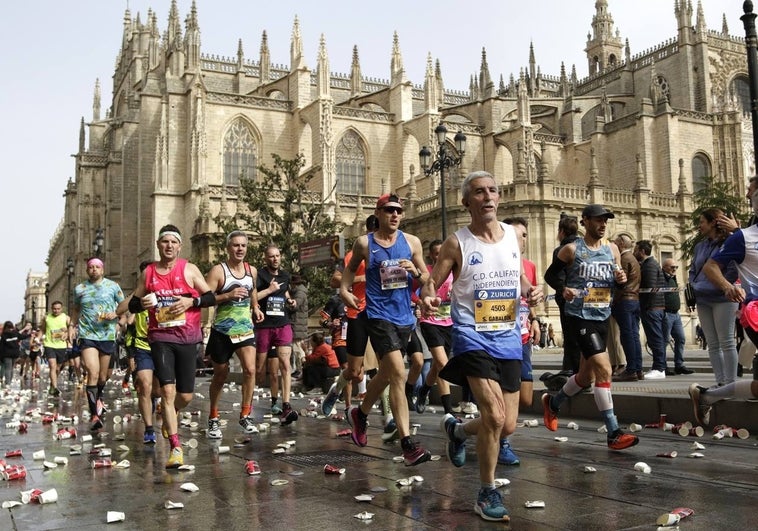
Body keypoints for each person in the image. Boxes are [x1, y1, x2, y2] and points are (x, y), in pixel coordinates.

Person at [422, 172, 542, 522]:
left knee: (506, 426)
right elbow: (433, 283)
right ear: (467, 202)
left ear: (499, 198)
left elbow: (519, 277)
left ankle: (457, 431)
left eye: (492, 190)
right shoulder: (457, 242)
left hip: (508, 339)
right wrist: (428, 298)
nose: (487, 196)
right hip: (471, 336)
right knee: (492, 415)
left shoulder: (511, 239)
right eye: (479, 192)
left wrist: (533, 292)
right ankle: (486, 492)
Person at [341, 193, 431, 467]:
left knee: (386, 373)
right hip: (377, 316)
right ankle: (407, 444)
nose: (395, 215)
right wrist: (345, 292)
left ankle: (361, 413)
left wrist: (415, 273)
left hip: (405, 317)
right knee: (398, 374)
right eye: (389, 210)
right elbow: (348, 272)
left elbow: (427, 276)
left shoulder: (411, 242)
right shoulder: (364, 243)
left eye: (398, 211)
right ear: (378, 213)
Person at [543, 204, 638, 450]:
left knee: (586, 377)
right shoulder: (572, 250)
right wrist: (563, 289)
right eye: (598, 220)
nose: (603, 224)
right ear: (585, 221)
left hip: (602, 314)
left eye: (606, 220)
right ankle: (613, 432)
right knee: (605, 370)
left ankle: (553, 404)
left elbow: (617, 280)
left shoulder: (612, 249)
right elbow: (551, 275)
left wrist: (621, 280)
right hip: (580, 317)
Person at [122, 224, 216, 469]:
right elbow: (132, 305)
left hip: (188, 338)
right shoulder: (149, 273)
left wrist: (189, 301)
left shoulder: (190, 269)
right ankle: (176, 447)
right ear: (158, 245)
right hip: (160, 339)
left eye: (173, 242)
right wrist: (141, 303)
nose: (169, 246)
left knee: (185, 396)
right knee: (168, 392)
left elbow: (210, 298)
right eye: (165, 242)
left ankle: (168, 414)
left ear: (180, 246)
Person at [689, 220, 758, 425]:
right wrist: (728, 287)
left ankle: (708, 396)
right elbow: (711, 267)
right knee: (719, 341)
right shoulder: (744, 237)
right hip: (754, 312)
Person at [205, 230, 265, 439]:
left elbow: (253, 290)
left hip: (244, 329)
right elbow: (206, 299)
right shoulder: (218, 271)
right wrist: (228, 295)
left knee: (250, 370)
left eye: (243, 246)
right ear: (228, 248)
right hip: (222, 330)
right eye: (235, 245)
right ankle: (213, 417)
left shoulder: (252, 270)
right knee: (220, 374)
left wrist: (256, 307)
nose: (240, 249)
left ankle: (245, 414)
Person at [321, 215, 379, 417]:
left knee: (389, 370)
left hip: (384, 315)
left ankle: (391, 420)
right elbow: (336, 280)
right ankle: (337, 389)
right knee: (354, 371)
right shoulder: (357, 252)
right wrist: (363, 278)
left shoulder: (397, 250)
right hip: (359, 314)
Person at [499, 216, 538, 466]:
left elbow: (529, 299)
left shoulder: (530, 266)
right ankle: (502, 442)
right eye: (513, 234)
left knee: (526, 399)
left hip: (523, 337)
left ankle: (465, 430)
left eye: (522, 235)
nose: (519, 239)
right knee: (502, 400)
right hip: (499, 338)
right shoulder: (496, 262)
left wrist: (535, 319)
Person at [69, 258, 125, 430]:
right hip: (87, 335)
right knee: (92, 372)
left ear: (102, 269)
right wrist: (72, 326)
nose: (94, 270)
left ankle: (98, 397)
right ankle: (94, 415)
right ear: (87, 270)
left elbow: (123, 305)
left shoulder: (113, 286)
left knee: (103, 376)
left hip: (107, 335)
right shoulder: (80, 289)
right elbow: (76, 309)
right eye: (91, 267)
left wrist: (117, 317)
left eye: (97, 267)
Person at [689, 208, 739, 386]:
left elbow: (732, 272)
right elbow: (693, 270)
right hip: (703, 299)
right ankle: (720, 382)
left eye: (702, 221)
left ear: (712, 223)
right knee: (712, 343)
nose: (699, 225)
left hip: (723, 298)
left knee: (726, 341)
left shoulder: (729, 243)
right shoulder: (700, 246)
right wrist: (694, 286)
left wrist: (710, 286)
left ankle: (730, 382)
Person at [255, 244, 298, 425]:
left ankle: (286, 404)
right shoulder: (259, 275)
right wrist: (269, 291)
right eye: (271, 256)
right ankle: (257, 404)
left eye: (278, 256)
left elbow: (284, 290)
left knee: (285, 364)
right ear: (265, 258)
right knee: (260, 370)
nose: (275, 259)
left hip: (282, 323)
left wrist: (290, 300)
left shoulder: (285, 275)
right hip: (264, 325)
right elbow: (253, 297)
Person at [122, 260, 161, 444]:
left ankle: (155, 401)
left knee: (159, 391)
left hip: (162, 345)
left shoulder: (164, 291)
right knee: (144, 386)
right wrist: (133, 305)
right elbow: (122, 312)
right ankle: (149, 428)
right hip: (142, 345)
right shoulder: (137, 295)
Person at [415, 239, 454, 416]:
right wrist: (421, 303)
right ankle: (449, 411)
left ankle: (424, 390)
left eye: (442, 253)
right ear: (431, 255)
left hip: (449, 322)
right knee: (442, 363)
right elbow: (413, 291)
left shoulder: (455, 271)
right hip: (429, 321)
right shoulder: (427, 274)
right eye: (436, 253)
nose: (440, 256)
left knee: (437, 367)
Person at [633, 240, 668, 379]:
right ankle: (660, 366)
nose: (634, 252)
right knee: (656, 338)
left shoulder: (649, 265)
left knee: (655, 338)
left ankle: (659, 368)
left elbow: (650, 287)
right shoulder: (650, 264)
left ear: (642, 251)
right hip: (653, 306)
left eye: (636, 250)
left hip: (652, 307)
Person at [611, 235, 643, 381]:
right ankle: (638, 369)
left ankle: (631, 369)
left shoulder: (623, 259)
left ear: (622, 244)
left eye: (616, 242)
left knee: (627, 336)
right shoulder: (634, 259)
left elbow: (620, 281)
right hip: (635, 300)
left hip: (625, 300)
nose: (614, 245)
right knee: (634, 335)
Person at [553, 214, 581, 374]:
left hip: (567, 298)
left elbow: (556, 276)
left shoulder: (561, 250)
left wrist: (561, 291)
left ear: (561, 231)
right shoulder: (584, 248)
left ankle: (570, 368)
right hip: (584, 298)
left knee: (570, 336)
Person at [662, 258, 693, 375]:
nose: (674, 269)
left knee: (681, 338)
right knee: (664, 341)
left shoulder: (673, 278)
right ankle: (663, 366)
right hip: (667, 313)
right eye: (672, 267)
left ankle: (679, 365)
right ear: (664, 267)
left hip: (676, 314)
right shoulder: (662, 278)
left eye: (676, 267)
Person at [39, 300, 71, 396]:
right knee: (52, 366)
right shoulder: (46, 318)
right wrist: (37, 338)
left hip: (61, 346)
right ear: (51, 309)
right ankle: (55, 388)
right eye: (54, 309)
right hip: (49, 345)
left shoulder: (66, 318)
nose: (56, 311)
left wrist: (66, 333)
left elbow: (72, 328)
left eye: (58, 309)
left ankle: (52, 385)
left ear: (61, 309)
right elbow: (42, 329)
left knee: (57, 368)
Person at [288, 273, 309, 379]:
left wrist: (287, 304)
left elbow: (295, 306)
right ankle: (300, 369)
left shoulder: (299, 293)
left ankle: (302, 369)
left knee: (297, 349)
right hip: (298, 323)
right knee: (298, 347)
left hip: (297, 324)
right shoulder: (299, 291)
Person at [0, 321, 32, 386]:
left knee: (8, 368)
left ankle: (8, 383)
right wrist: (30, 335)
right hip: (15, 353)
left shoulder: (4, 335)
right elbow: (22, 336)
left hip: (7, 354)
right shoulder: (15, 333)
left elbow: (1, 346)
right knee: (11, 368)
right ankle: (9, 382)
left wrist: (1, 356)